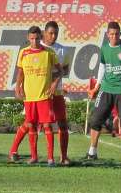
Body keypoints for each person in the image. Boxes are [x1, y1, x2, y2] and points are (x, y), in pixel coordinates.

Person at [86, 21, 121, 165]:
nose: (114, 36)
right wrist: (97, 86)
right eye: (111, 34)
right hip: (106, 89)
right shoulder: (104, 49)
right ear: (107, 35)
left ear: (120, 34)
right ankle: (92, 151)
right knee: (95, 120)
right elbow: (102, 68)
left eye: (117, 34)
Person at [9, 26, 59, 165]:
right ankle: (34, 157)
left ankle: (50, 158)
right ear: (28, 38)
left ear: (41, 37)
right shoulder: (23, 52)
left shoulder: (49, 52)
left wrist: (54, 84)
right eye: (32, 38)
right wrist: (18, 87)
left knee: (47, 125)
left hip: (44, 95)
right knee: (30, 125)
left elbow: (60, 71)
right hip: (29, 96)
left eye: (37, 38)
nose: (34, 41)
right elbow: (21, 72)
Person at [42, 21, 73, 165]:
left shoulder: (62, 50)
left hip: (58, 92)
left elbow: (65, 70)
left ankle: (64, 156)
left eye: (56, 33)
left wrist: (55, 80)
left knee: (62, 123)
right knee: (31, 124)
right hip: (40, 93)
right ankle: (14, 152)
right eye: (51, 33)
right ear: (44, 32)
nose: (53, 36)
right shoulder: (38, 48)